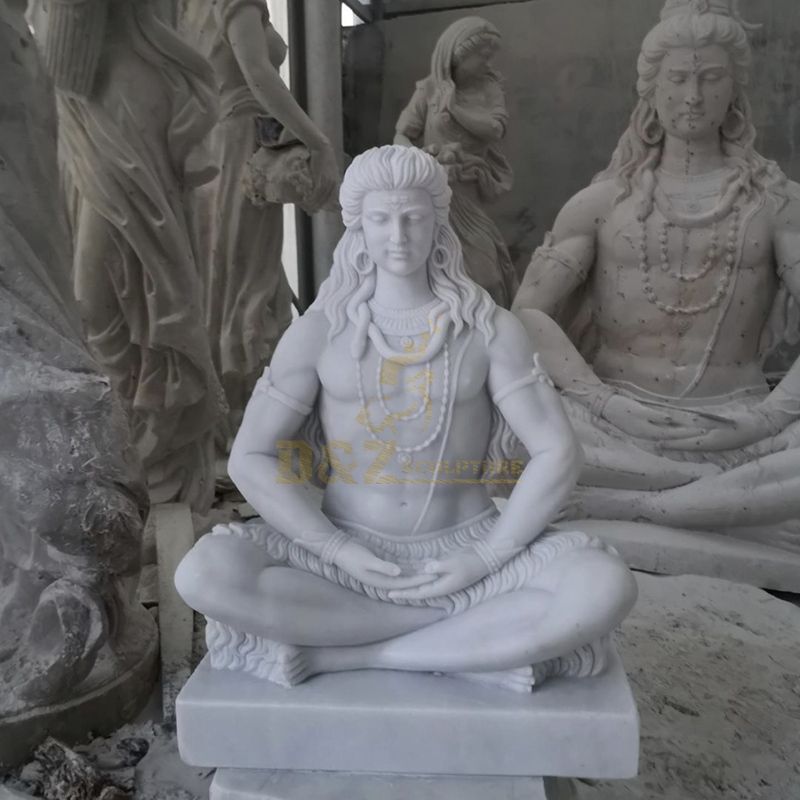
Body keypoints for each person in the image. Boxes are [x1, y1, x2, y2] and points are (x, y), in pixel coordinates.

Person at [175, 145, 635, 691]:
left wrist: (486, 559)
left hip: (467, 548)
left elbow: (557, 452)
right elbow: (251, 455)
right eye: (381, 219)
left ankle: (353, 653)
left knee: (603, 584)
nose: (397, 235)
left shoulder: (488, 329)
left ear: (438, 223)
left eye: (413, 218)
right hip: (345, 553)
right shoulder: (320, 331)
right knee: (204, 573)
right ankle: (464, 640)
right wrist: (335, 549)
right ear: (358, 228)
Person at [513, 0, 800, 551]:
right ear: (651, 87)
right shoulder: (600, 203)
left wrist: (767, 420)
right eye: (678, 78)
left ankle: (641, 505)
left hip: (737, 427)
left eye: (710, 78)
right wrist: (600, 401)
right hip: (612, 423)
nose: (693, 96)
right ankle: (713, 503)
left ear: (734, 89)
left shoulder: (776, 205)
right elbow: (526, 313)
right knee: (503, 431)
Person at [33, 0, 226, 512]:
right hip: (106, 95)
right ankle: (141, 448)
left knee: (99, 296)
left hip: (114, 96)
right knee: (115, 289)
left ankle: (149, 448)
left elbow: (62, 60)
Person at [180, 0, 339, 441]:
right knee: (247, 283)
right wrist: (318, 142)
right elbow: (258, 74)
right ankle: (246, 417)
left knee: (233, 278)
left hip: (219, 144)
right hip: (237, 143)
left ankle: (234, 415)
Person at [394, 17, 518, 308]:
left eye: (490, 56)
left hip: (471, 186)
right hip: (436, 190)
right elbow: (402, 134)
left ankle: (489, 318)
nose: (488, 63)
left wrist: (455, 109)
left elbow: (494, 129)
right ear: (457, 55)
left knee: (485, 266)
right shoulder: (428, 90)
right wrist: (422, 158)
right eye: (482, 56)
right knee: (439, 266)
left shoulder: (489, 89)